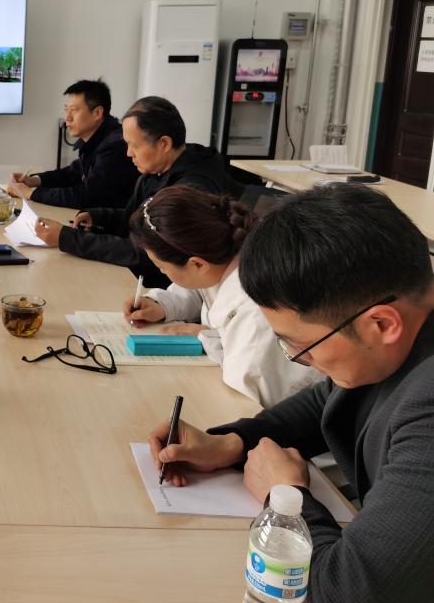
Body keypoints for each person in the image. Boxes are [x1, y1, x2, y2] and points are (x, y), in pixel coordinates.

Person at [147, 184, 434, 603]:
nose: (302, 360)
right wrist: (234, 442)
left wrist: (285, 499)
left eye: (301, 346)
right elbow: (329, 398)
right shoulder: (398, 334)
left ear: (382, 324)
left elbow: (345, 590)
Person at [124, 185, 319, 407]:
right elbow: (202, 286)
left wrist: (210, 339)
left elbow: (249, 398)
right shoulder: (225, 254)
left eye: (162, 267)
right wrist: (162, 304)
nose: (162, 272)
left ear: (197, 264)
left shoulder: (255, 312)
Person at [34, 96, 235, 287]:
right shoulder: (156, 170)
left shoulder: (191, 192)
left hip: (159, 287)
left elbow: (149, 252)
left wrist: (67, 238)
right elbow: (136, 220)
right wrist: (99, 217)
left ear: (164, 143)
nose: (129, 153)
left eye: (134, 145)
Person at [6, 79, 137, 209]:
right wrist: (33, 180)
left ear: (97, 113)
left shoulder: (114, 146)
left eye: (74, 110)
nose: (67, 117)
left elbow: (86, 196)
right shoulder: (97, 137)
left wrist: (30, 193)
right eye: (66, 110)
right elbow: (72, 173)